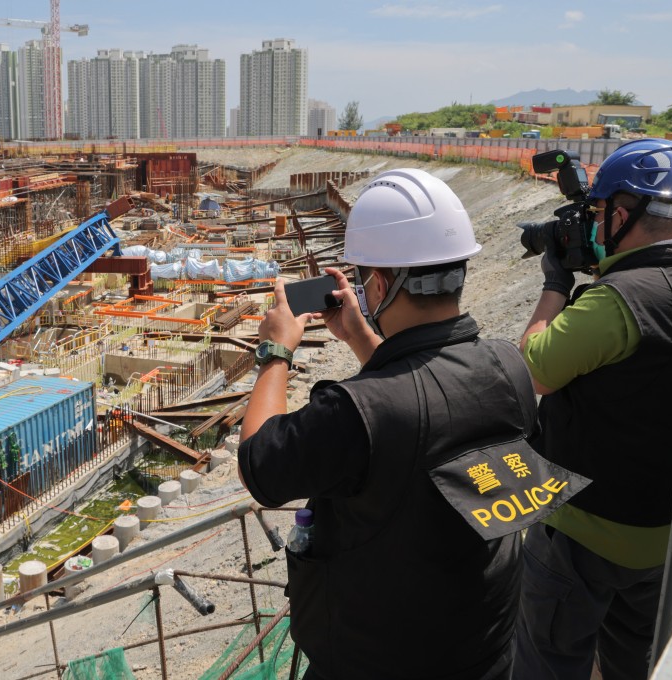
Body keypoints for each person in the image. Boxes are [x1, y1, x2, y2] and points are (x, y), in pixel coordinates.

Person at [239, 168, 568, 679]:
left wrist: (275, 350)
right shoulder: (508, 367)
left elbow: (260, 464)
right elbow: (425, 396)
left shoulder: (352, 411)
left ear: (379, 283)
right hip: (483, 649)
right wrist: (359, 336)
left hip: (375, 659)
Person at [513, 139, 672, 680]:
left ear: (621, 216)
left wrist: (555, 286)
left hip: (583, 530)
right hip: (664, 529)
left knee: (548, 659)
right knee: (631, 663)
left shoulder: (620, 299)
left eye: (599, 213)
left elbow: (534, 369)